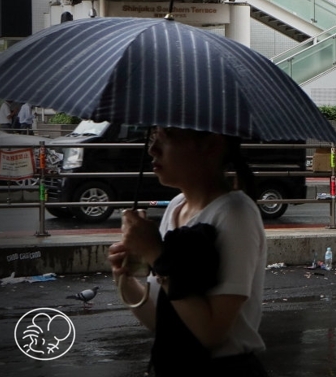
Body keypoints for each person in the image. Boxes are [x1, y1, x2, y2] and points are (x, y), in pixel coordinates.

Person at [107, 127, 269, 376]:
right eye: (153, 139)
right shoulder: (175, 207)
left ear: (211, 145)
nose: (152, 150)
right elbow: (161, 322)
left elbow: (211, 333)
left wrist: (157, 256)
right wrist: (124, 278)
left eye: (166, 137)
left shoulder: (235, 214)